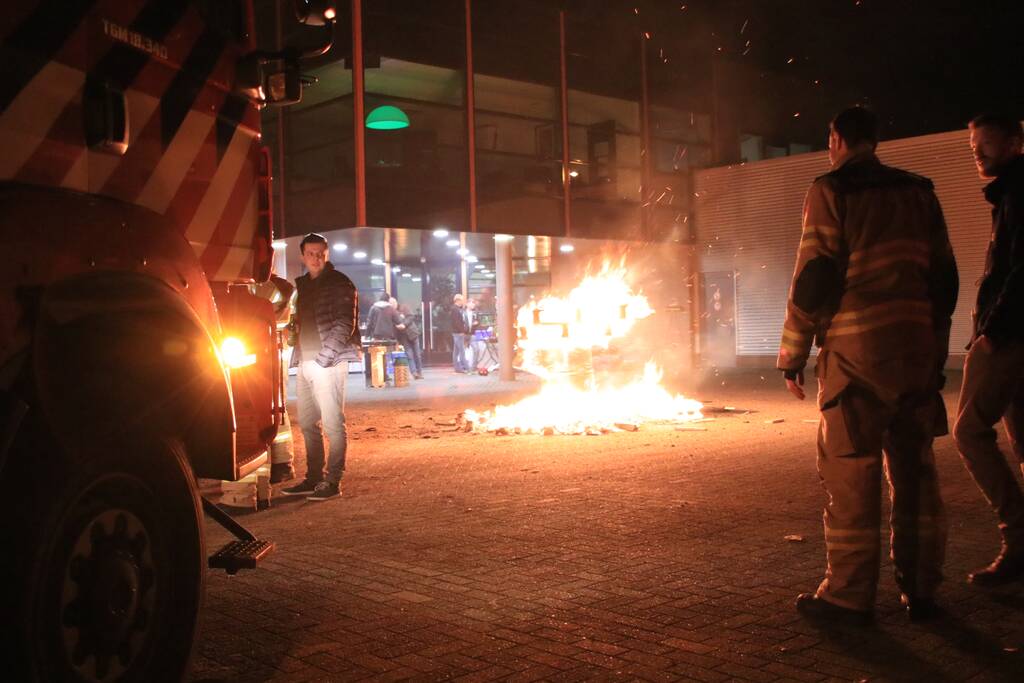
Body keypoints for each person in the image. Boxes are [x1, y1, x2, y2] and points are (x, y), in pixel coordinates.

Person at [778, 107, 959, 624]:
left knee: (852, 470)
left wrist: (792, 353)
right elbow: (944, 279)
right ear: (875, 140)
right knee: (917, 472)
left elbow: (814, 276)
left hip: (857, 356)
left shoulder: (831, 190)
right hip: (915, 351)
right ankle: (922, 590)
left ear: (836, 139)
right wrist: (934, 348)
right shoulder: (920, 191)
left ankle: (849, 595)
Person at [952, 113, 1024, 586]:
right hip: (1011, 332)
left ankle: (1019, 536)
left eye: (985, 142)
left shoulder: (1019, 192)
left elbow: (1021, 271)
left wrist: (991, 331)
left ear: (1016, 140)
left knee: (969, 431)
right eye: (973, 144)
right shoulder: (1009, 192)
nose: (977, 151)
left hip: (1011, 336)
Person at [281, 233, 361, 502]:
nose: (316, 258)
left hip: (329, 362)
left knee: (333, 423)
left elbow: (344, 323)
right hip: (305, 361)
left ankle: (333, 480)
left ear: (327, 254)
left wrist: (324, 357)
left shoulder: (339, 283)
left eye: (320, 253)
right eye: (311, 253)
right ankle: (314, 477)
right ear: (303, 256)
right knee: (306, 422)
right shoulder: (303, 285)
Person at [397, 303, 424, 379]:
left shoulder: (404, 307)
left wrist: (404, 324)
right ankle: (414, 372)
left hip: (413, 334)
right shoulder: (393, 312)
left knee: (417, 355)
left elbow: (411, 317)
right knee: (409, 356)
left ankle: (419, 372)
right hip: (404, 337)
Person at [450, 293, 470, 373]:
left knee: (456, 351)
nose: (463, 302)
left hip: (456, 333)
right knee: (461, 351)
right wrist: (462, 331)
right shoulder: (455, 310)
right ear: (458, 300)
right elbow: (457, 322)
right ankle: (466, 368)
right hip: (458, 333)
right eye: (462, 300)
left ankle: (457, 368)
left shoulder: (456, 309)